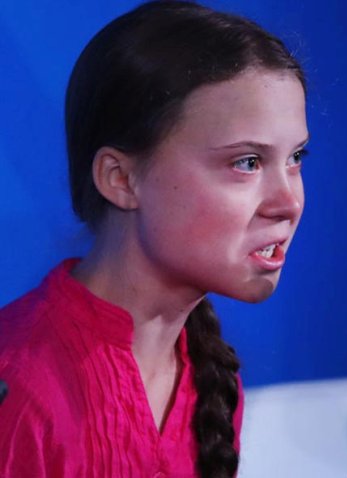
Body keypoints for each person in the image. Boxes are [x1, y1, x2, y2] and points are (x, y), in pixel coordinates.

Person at [0, 1, 308, 477]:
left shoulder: (210, 378)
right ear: (120, 178)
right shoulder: (17, 388)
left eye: (295, 158)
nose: (288, 202)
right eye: (246, 162)